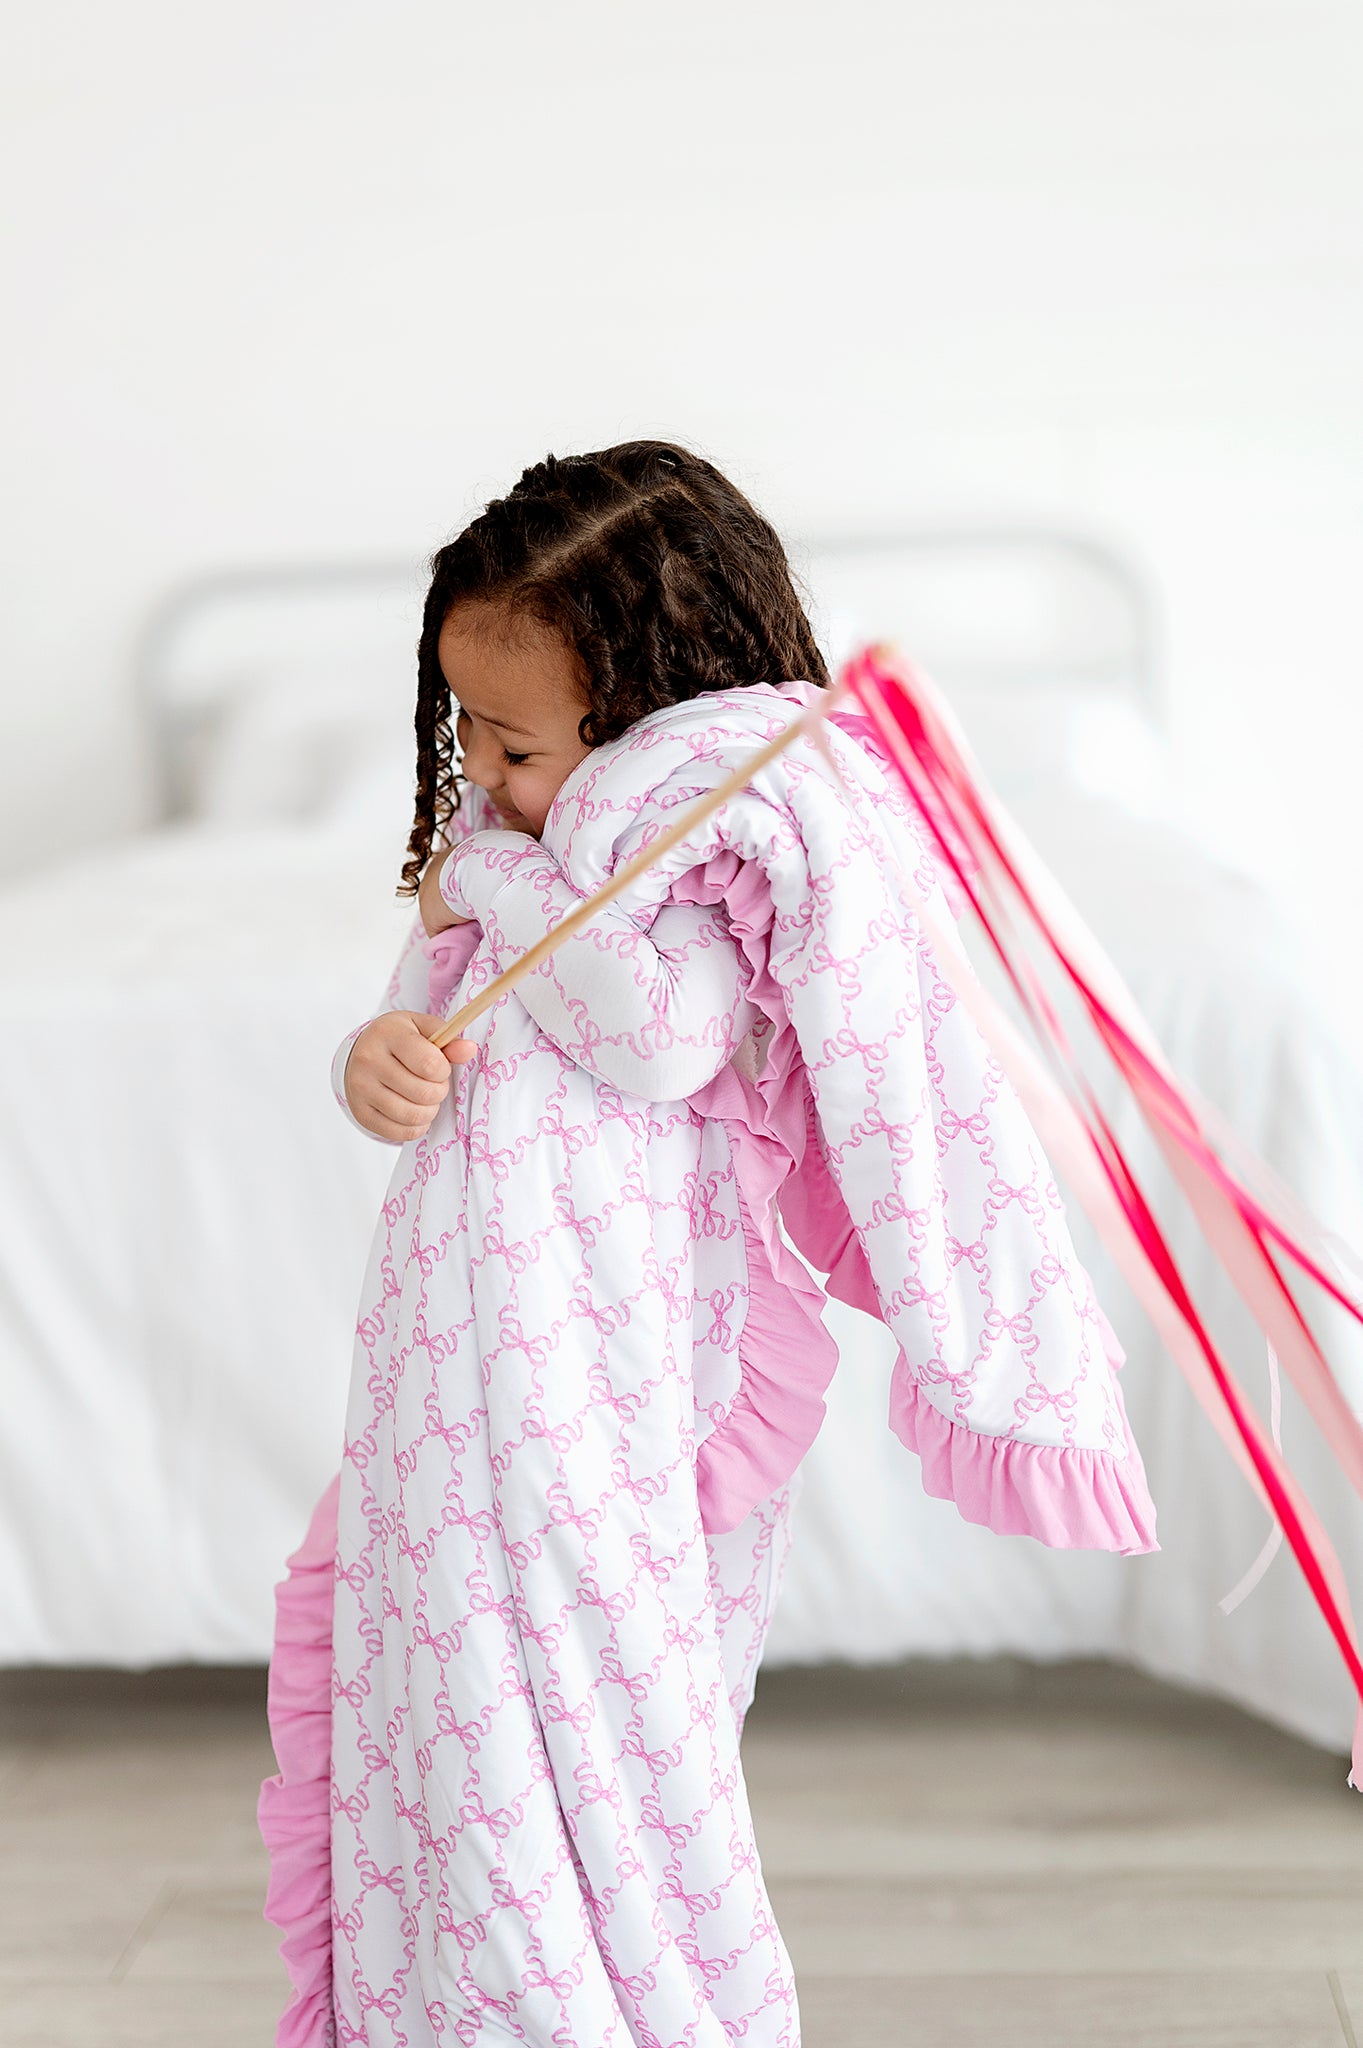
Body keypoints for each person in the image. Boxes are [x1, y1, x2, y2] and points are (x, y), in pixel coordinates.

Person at [259, 441, 1157, 2048]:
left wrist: (496, 877)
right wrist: (372, 1059)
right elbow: (420, 1009)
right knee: (447, 1690)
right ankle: (448, 1998)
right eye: (465, 730)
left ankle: (598, 1999)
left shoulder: (693, 861)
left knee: (601, 1695)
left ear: (646, 722)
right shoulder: (515, 852)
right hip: (453, 1366)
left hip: (599, 1378)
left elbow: (657, 1035)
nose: (481, 772)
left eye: (517, 744)